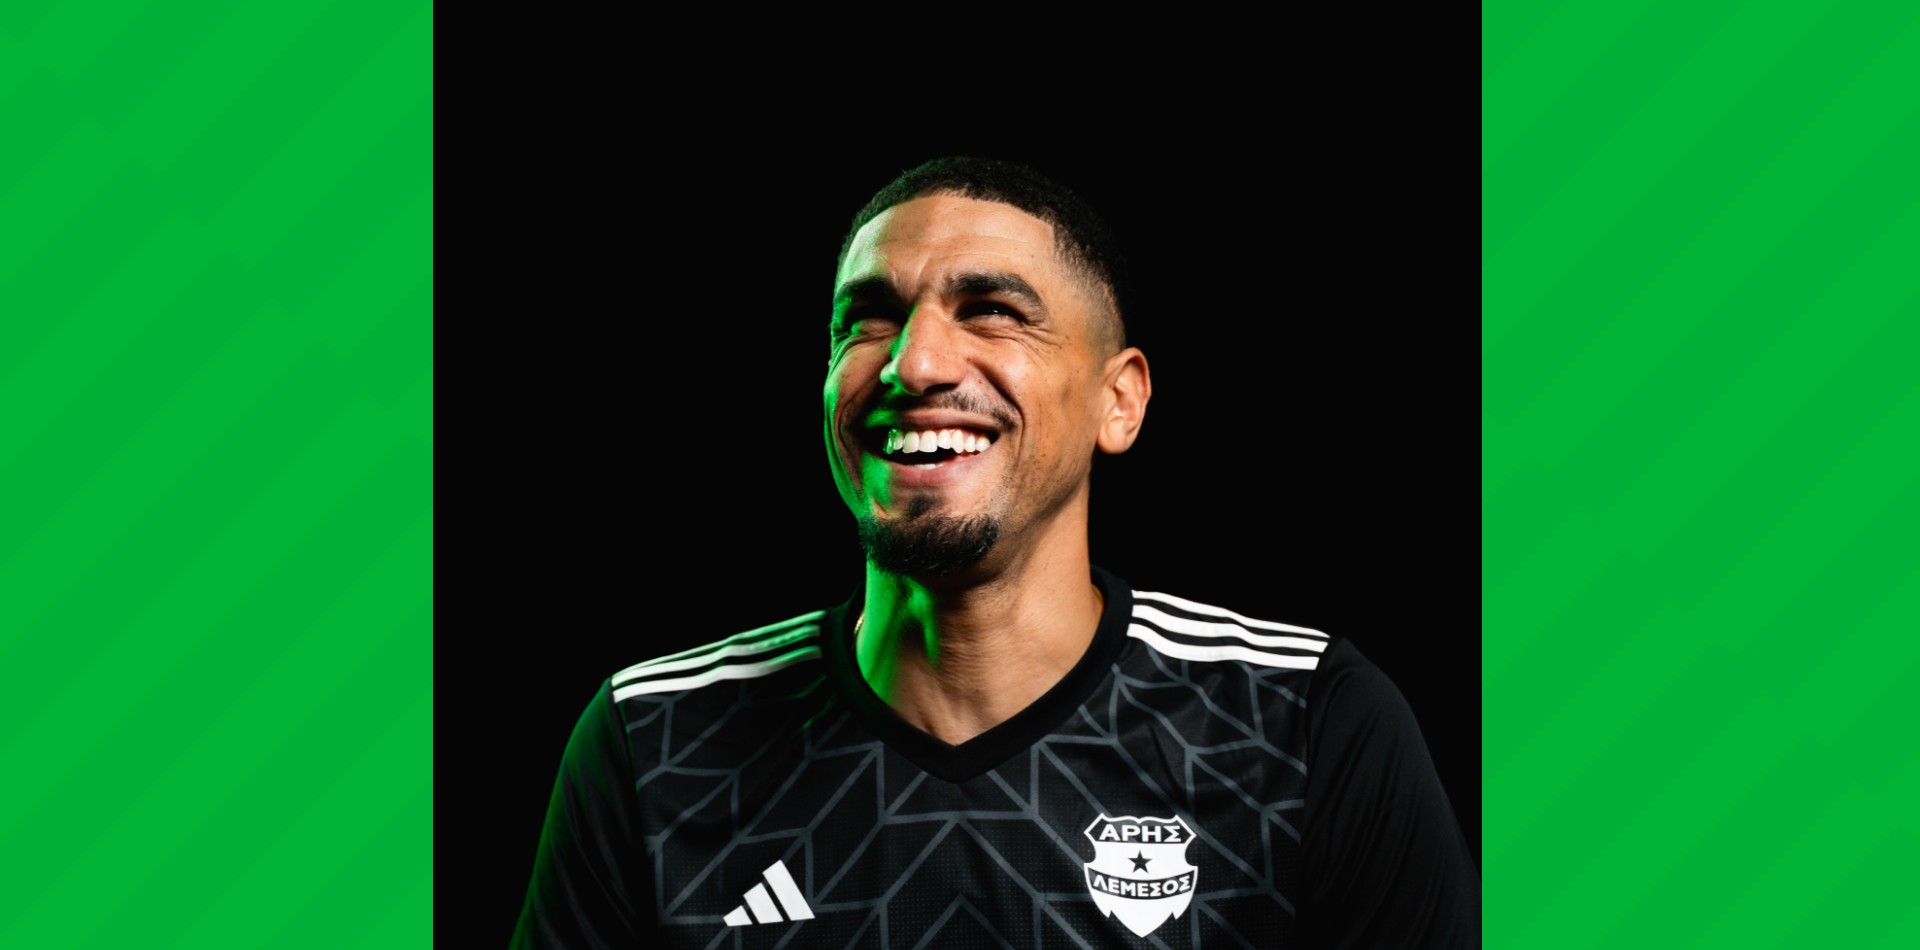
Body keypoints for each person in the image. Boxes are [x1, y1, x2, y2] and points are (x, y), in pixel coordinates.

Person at [513, 156, 1480, 947]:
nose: (914, 363)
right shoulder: (655, 740)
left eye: (992, 310)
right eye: (868, 319)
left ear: (1119, 401)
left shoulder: (1302, 726)